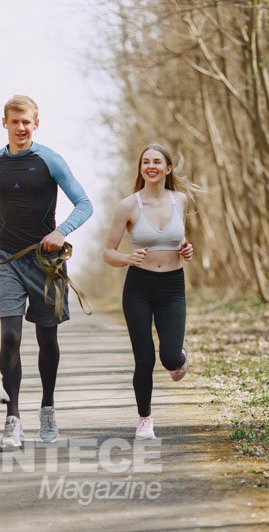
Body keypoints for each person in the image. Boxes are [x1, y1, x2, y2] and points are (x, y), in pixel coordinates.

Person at [0, 95, 93, 447]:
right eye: (14, 121)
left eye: (27, 122)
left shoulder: (49, 160)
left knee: (47, 338)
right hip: (6, 260)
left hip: (46, 265)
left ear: (36, 124)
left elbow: (85, 203)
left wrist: (61, 230)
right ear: (4, 123)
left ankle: (47, 409)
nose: (21, 127)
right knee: (10, 338)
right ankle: (13, 418)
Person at [102, 143, 194, 440]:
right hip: (138, 287)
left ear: (168, 168)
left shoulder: (181, 200)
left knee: (168, 359)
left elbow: (180, 239)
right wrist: (127, 258)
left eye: (157, 161)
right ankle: (145, 420)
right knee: (144, 358)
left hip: (172, 287)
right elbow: (108, 252)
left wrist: (187, 249)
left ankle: (179, 356)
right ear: (141, 169)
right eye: (145, 162)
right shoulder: (128, 205)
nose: (151, 166)